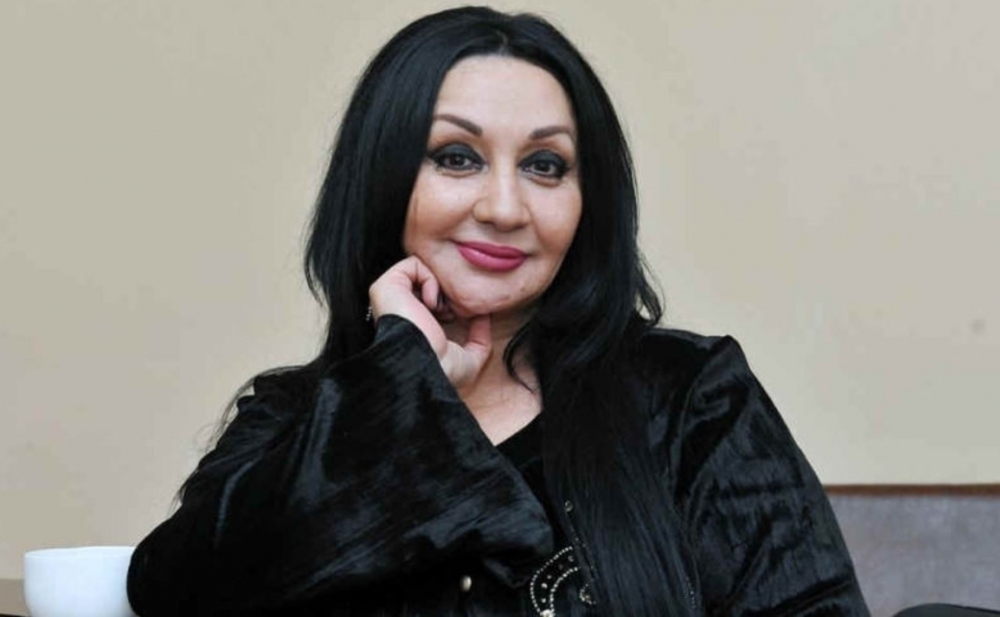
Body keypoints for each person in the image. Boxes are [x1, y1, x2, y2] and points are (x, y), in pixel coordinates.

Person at [126, 6, 869, 616]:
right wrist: (399, 383)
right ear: (383, 178)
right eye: (457, 157)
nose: (506, 207)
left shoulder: (691, 400)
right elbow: (172, 592)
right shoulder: (291, 419)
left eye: (546, 165)